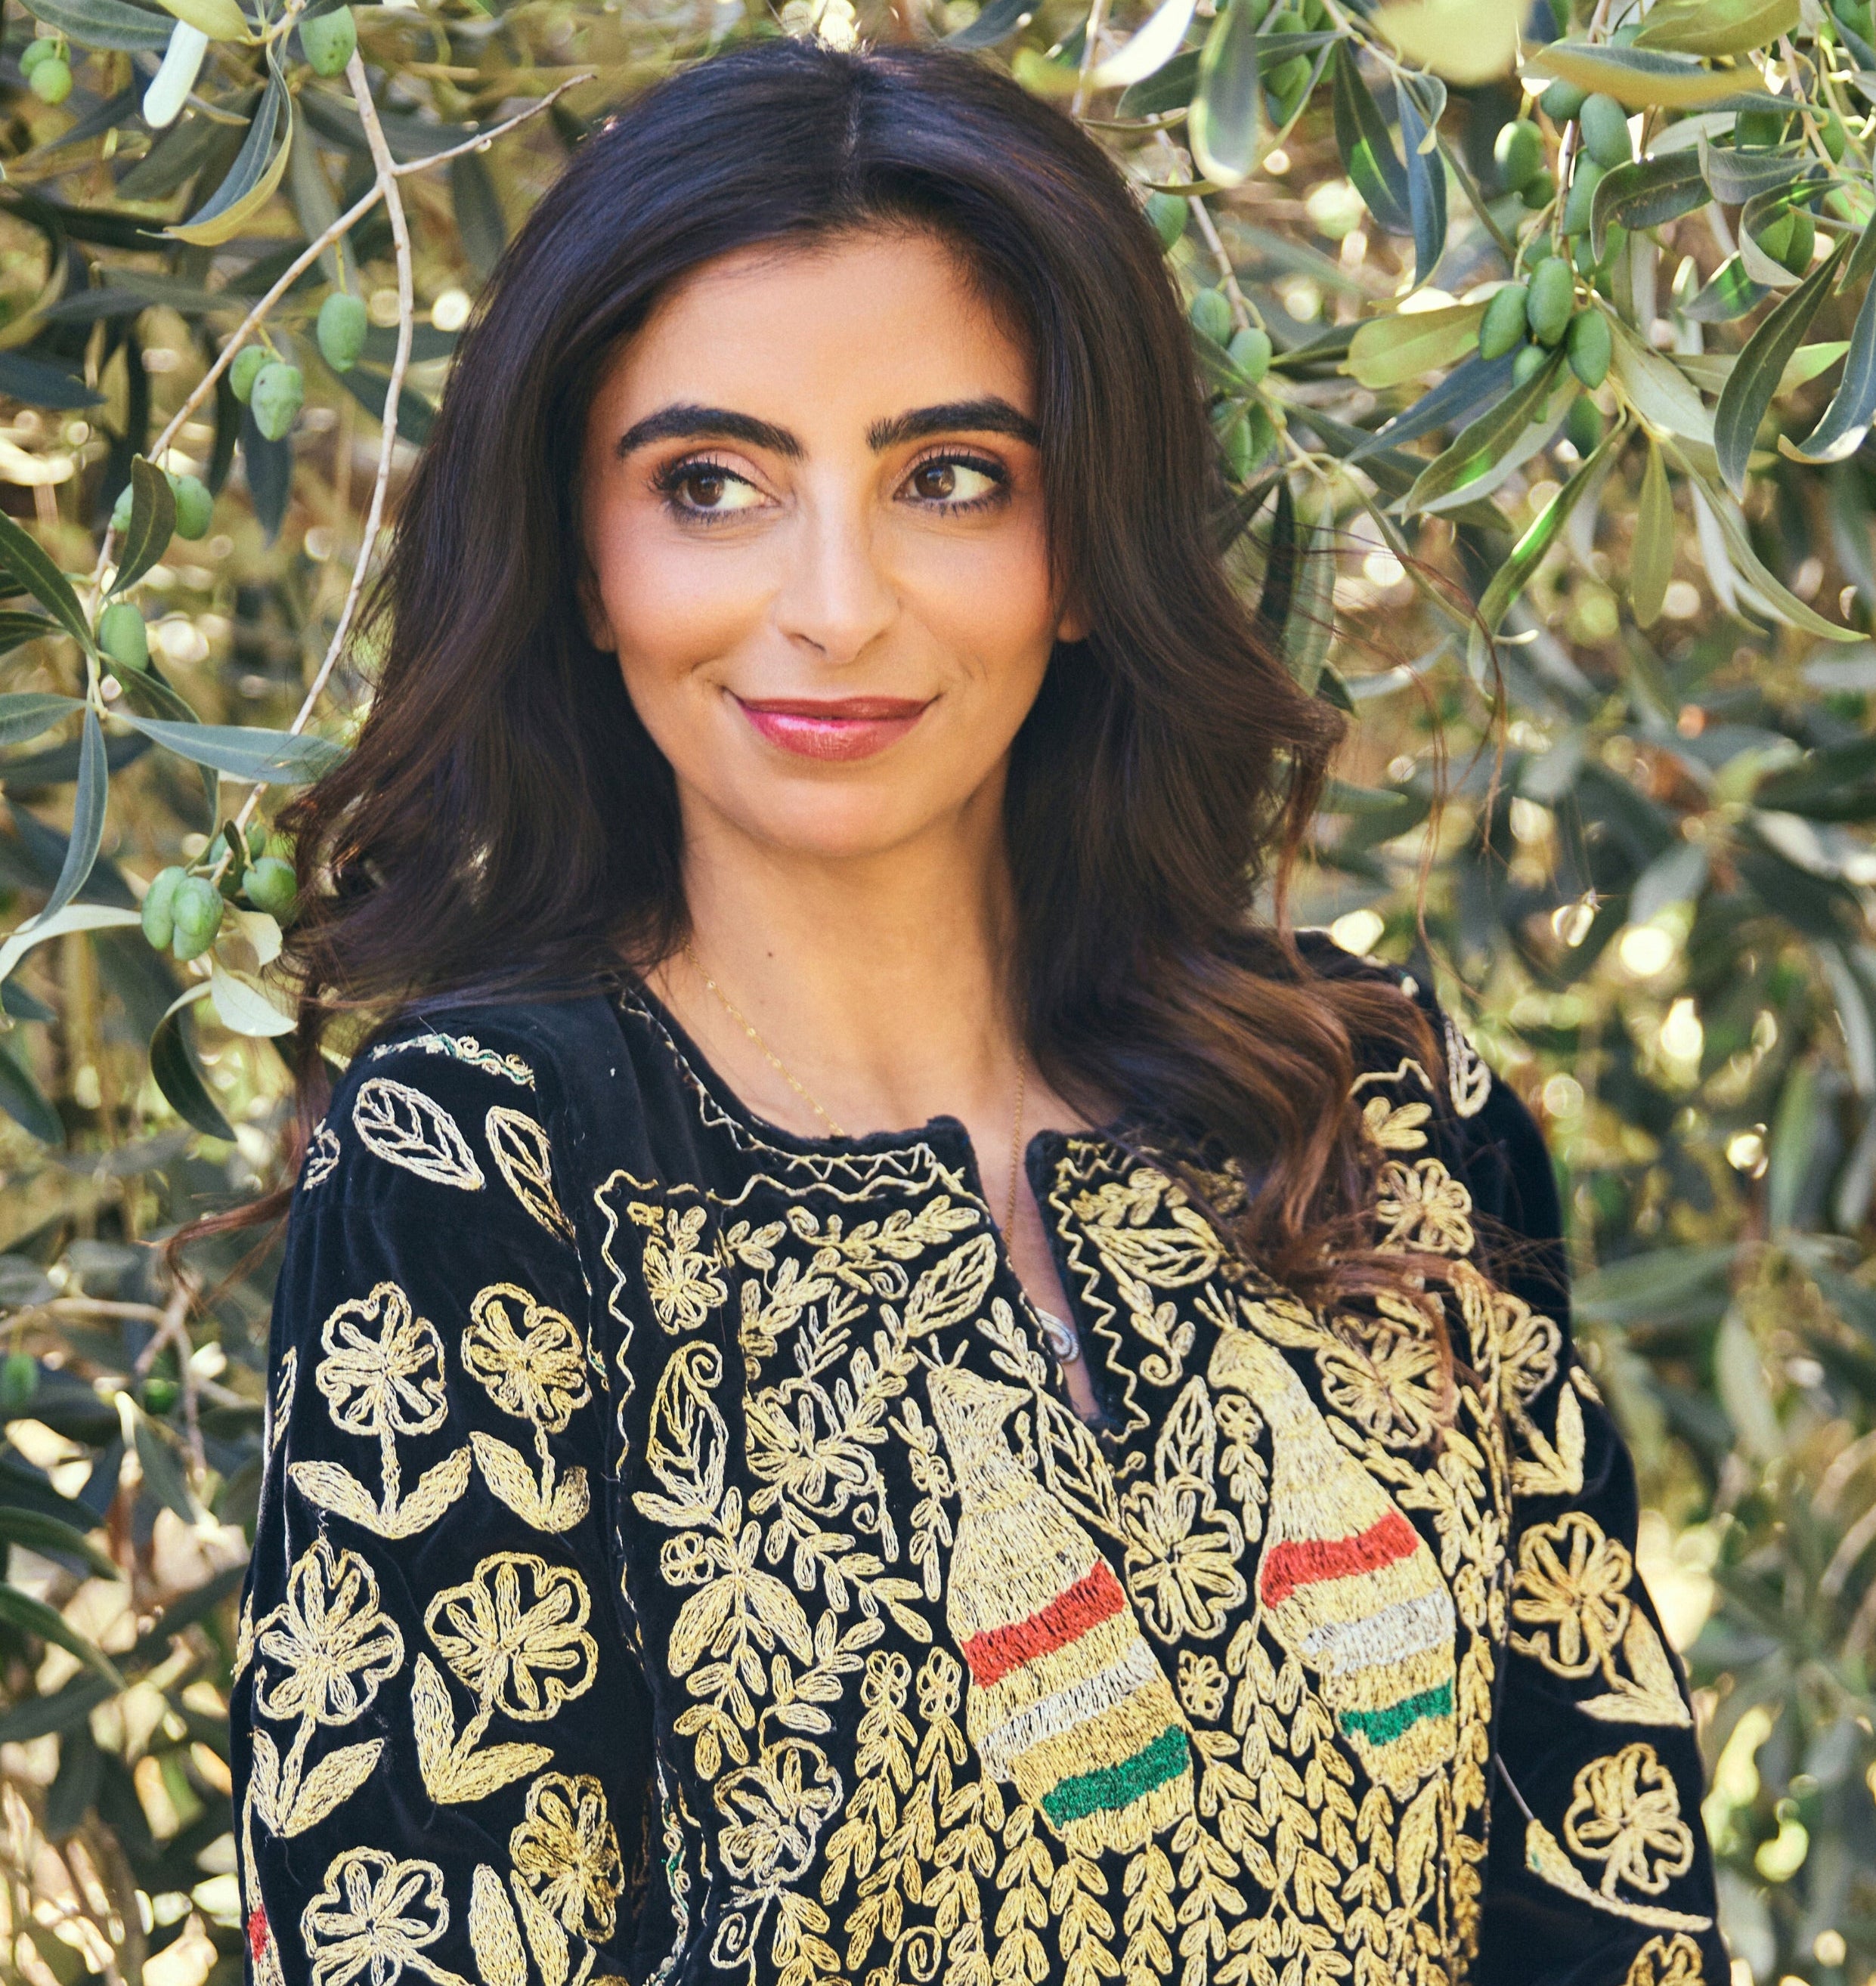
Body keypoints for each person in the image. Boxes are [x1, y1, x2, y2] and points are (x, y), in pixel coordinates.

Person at [220, 35, 1724, 1986]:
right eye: (710, 484)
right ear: (586, 566)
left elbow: (1609, 1897)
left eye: (947, 477)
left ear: (1085, 542)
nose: (833, 602)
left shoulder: (1376, 1109)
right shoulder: (490, 1158)